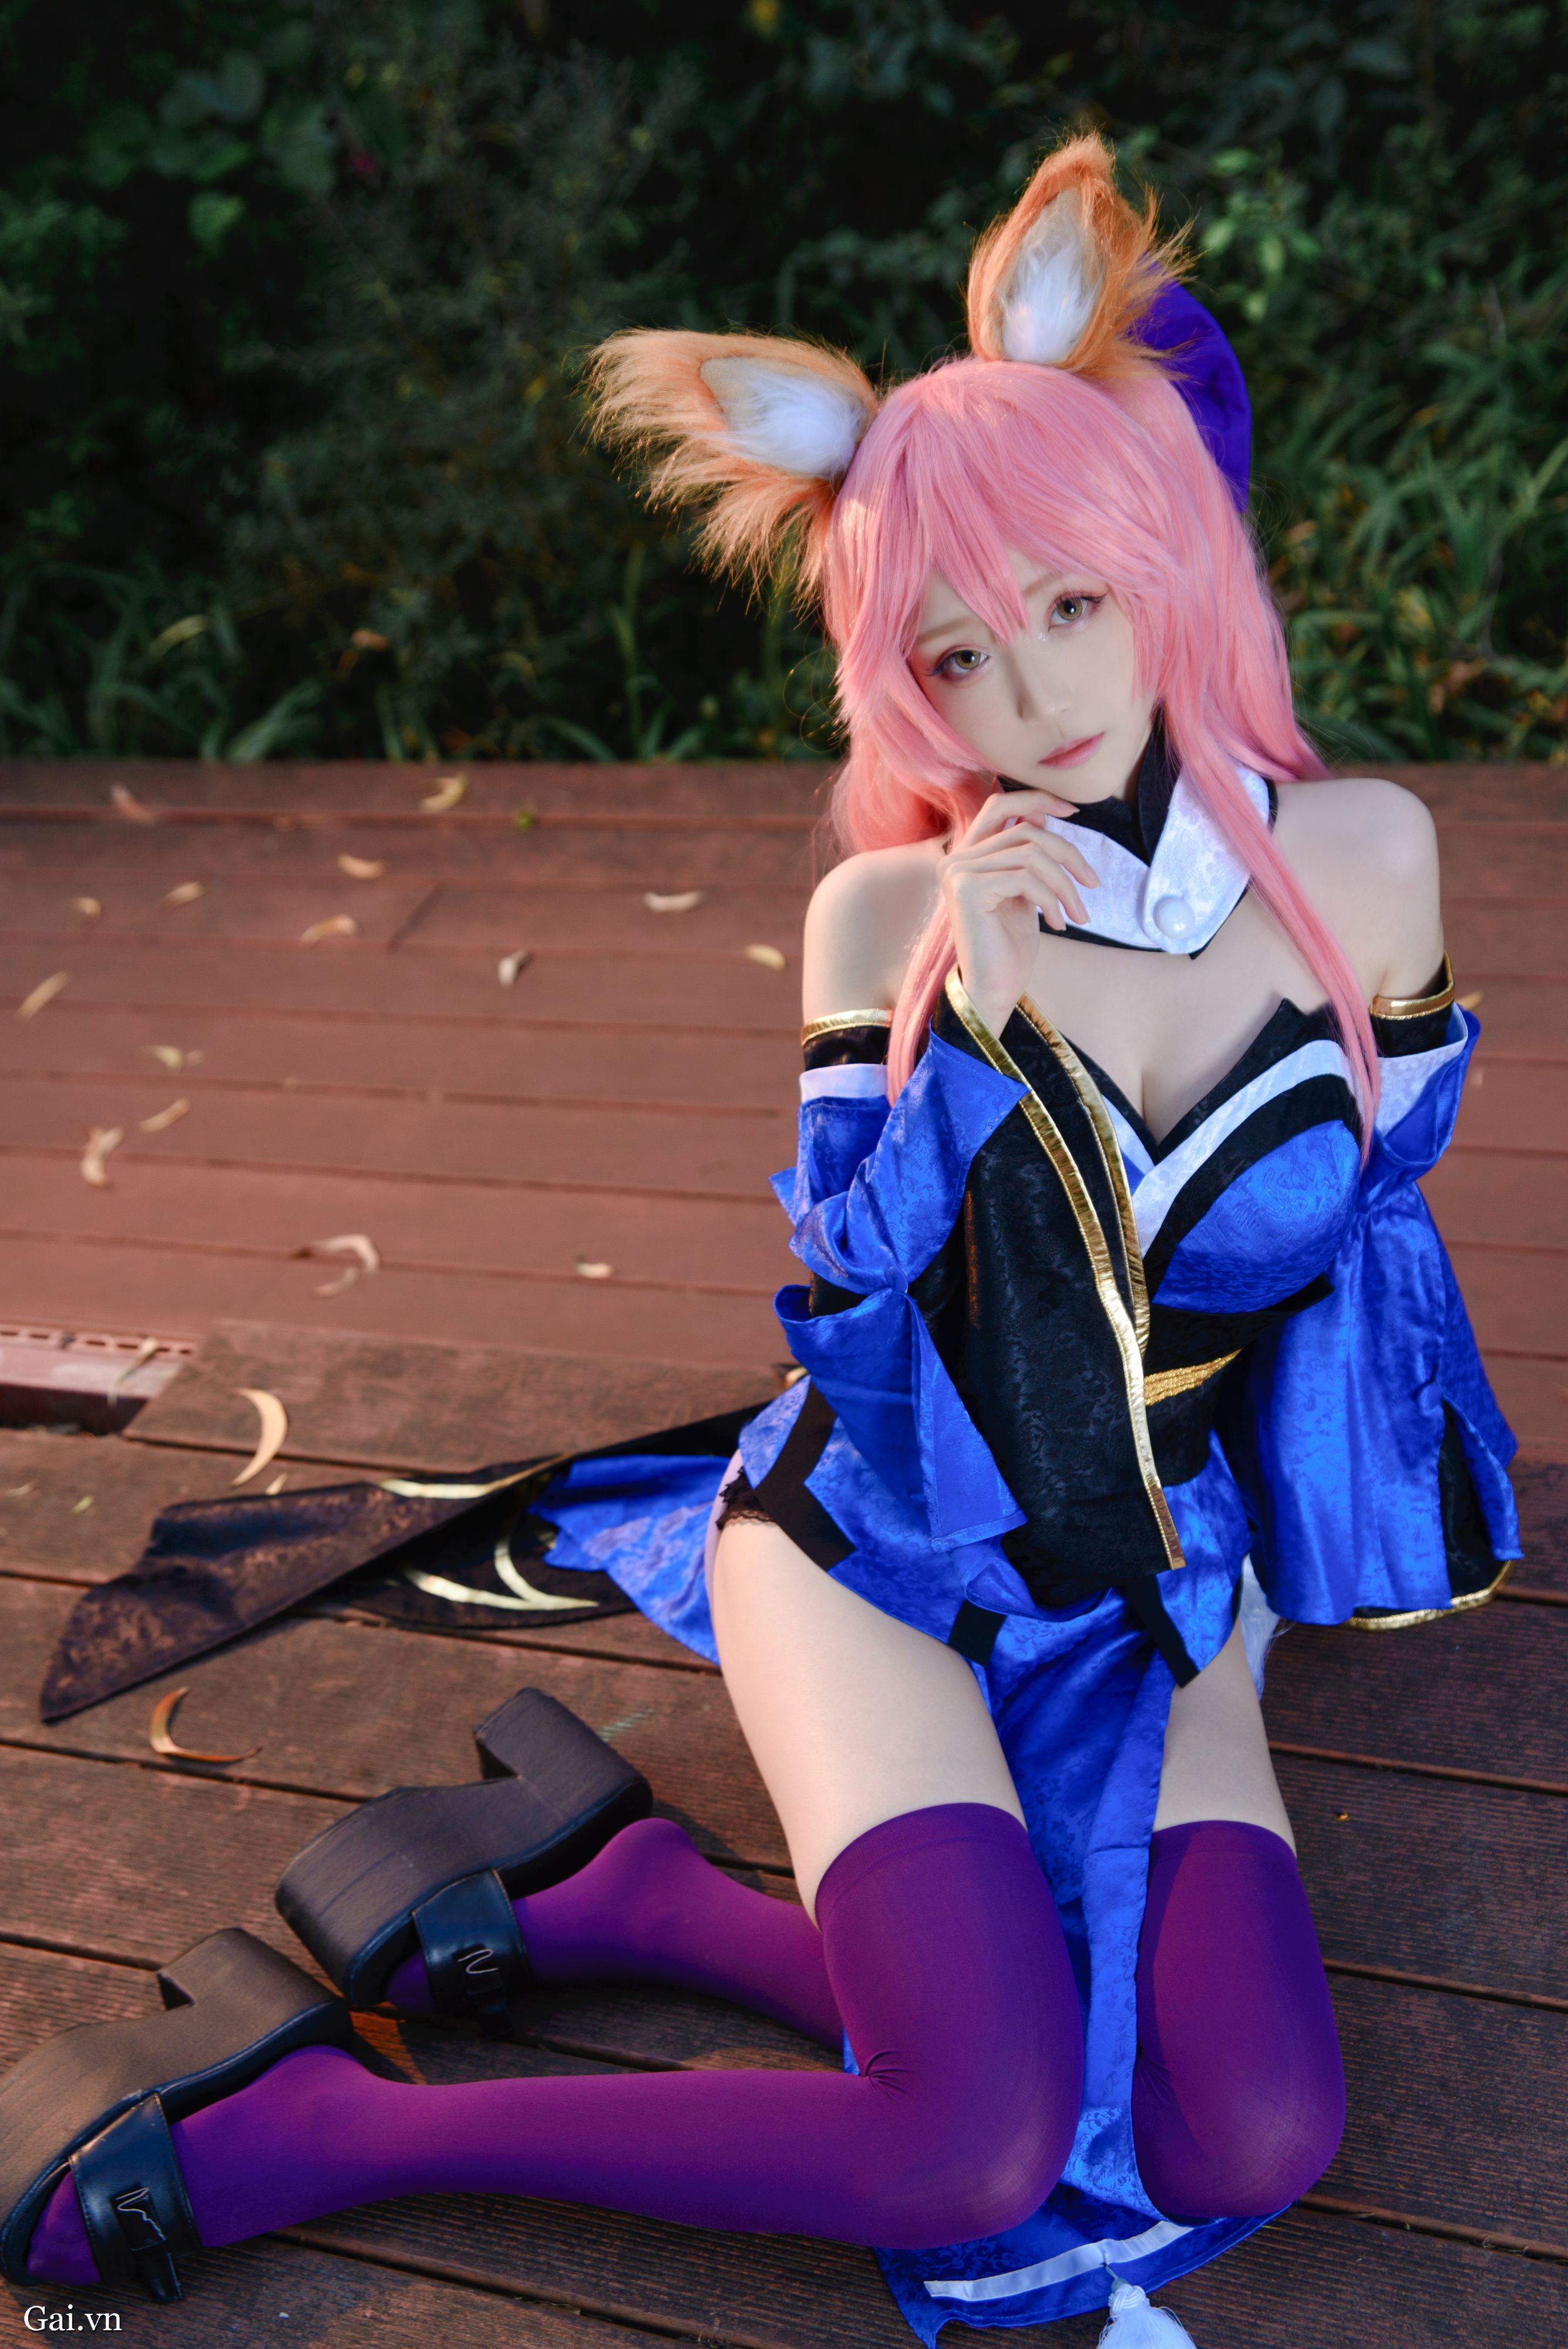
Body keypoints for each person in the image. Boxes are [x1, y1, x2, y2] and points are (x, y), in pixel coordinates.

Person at [4, 134, 1519, 2344]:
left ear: (1165, 551)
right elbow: (856, 1307)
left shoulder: (1367, 862)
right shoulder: (893, 920)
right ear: (898, 677)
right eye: (959, 654)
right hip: (882, 1547)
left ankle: (634, 1897)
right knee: (967, 2141)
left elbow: (1363, 1262)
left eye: (1075, 606)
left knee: (1250, 2132)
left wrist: (1298, 1576)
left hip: (1161, 1574)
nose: (1035, 701)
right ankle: (331, 2125)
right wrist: (978, 1016)